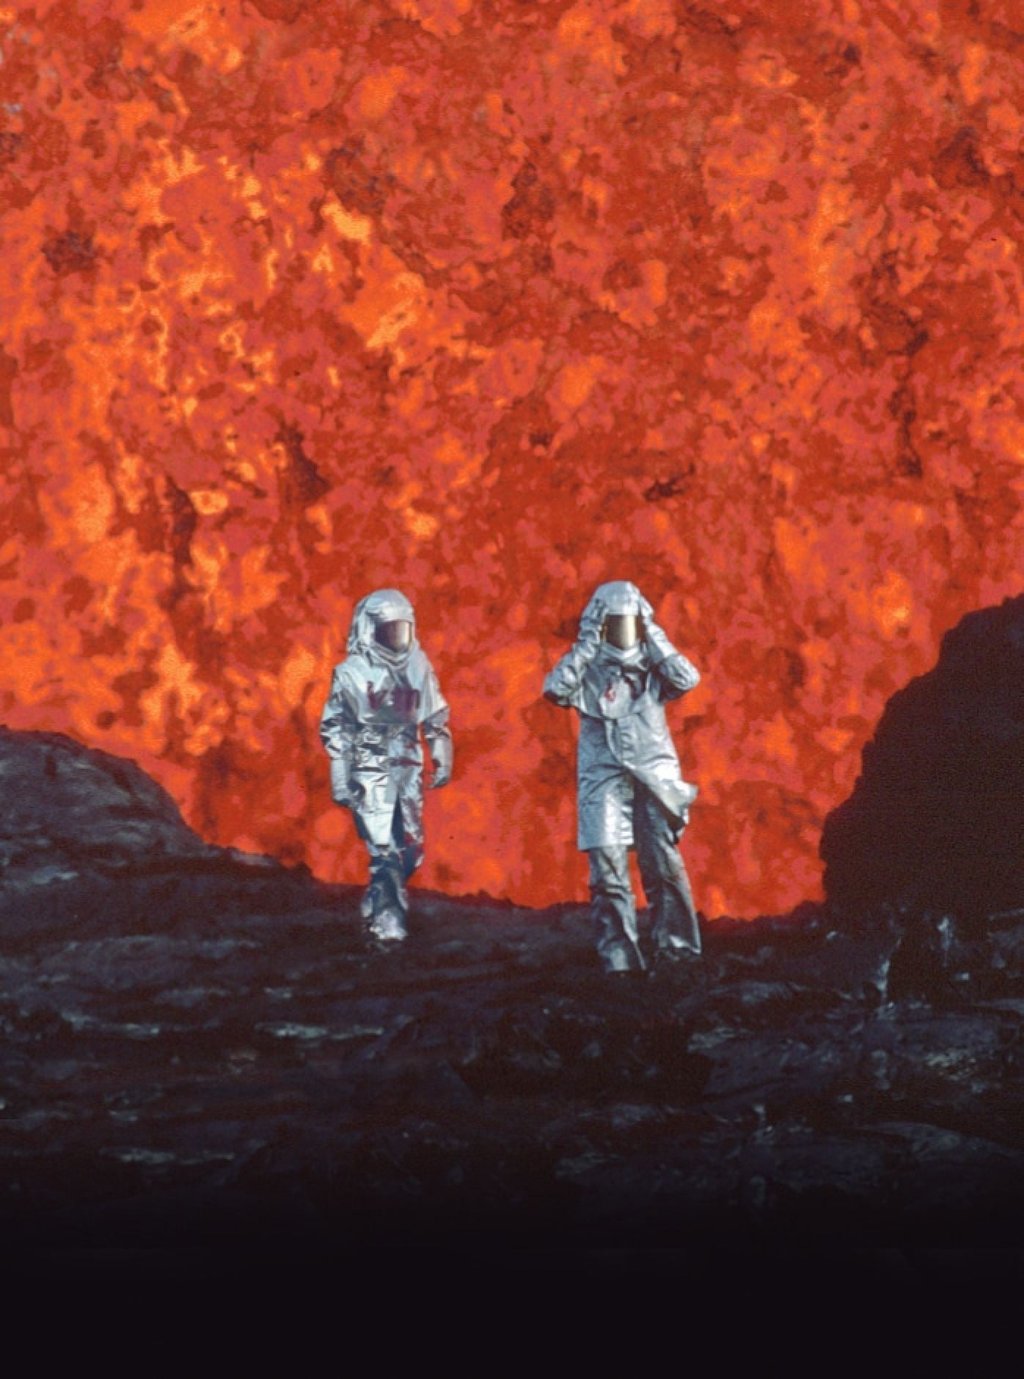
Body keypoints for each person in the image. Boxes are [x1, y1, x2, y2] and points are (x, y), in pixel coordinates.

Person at [543, 580, 702, 974]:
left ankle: (677, 950)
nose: (622, 632)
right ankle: (620, 960)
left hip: (653, 771)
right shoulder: (587, 667)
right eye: (613, 624)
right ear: (599, 625)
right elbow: (555, 689)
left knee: (662, 863)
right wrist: (586, 647)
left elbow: (687, 678)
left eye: (629, 623)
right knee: (607, 866)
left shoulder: (653, 664)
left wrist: (654, 636)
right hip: (603, 774)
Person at [319, 588, 452, 942]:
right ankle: (387, 922)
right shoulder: (350, 674)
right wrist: (340, 772)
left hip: (407, 762)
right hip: (369, 761)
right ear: (369, 630)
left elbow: (435, 714)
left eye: (402, 630)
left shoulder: (418, 667)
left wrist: (441, 751)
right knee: (383, 846)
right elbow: (337, 725)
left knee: (411, 846)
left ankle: (379, 896)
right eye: (388, 631)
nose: (396, 640)